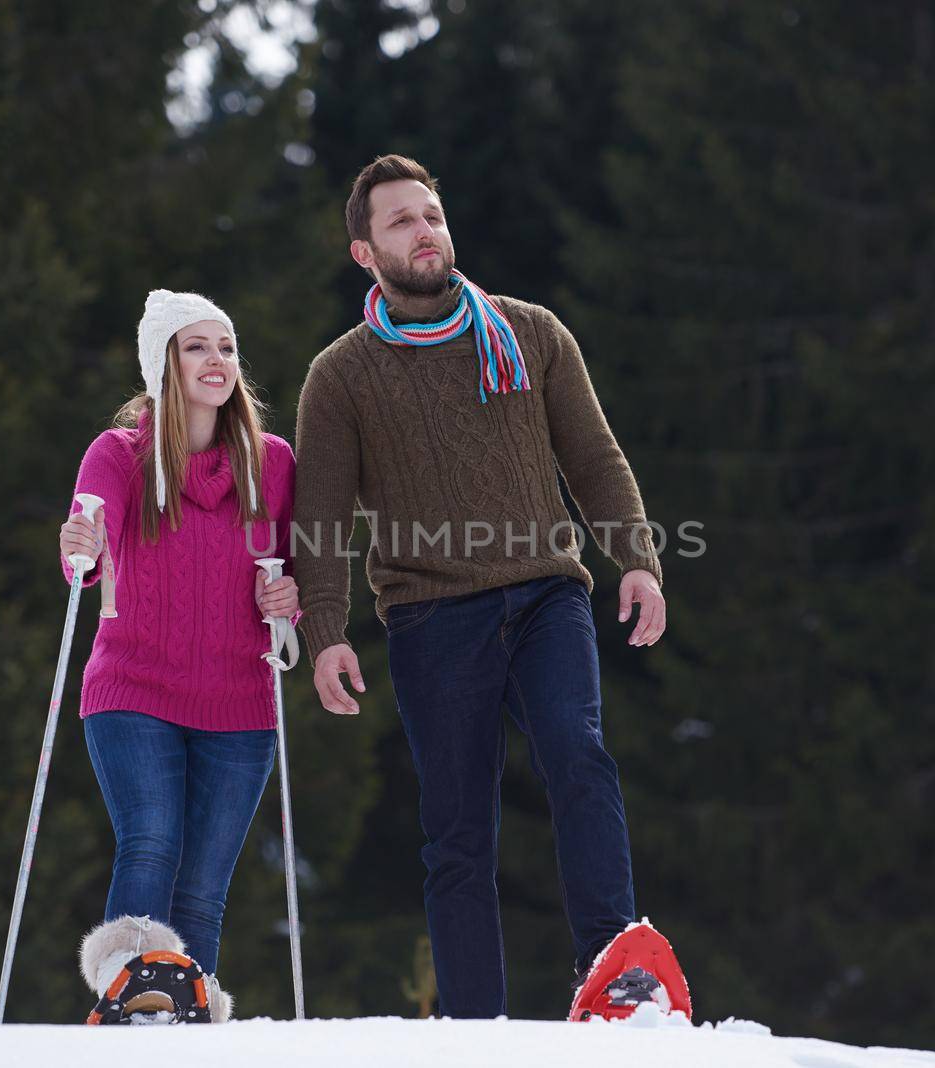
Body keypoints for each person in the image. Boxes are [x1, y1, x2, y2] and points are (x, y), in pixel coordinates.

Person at [292, 155, 668, 1018]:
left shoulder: (531, 332)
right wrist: (327, 634)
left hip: (547, 596)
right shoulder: (340, 376)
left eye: (431, 214)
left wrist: (638, 558)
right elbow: (318, 518)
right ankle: (472, 1029)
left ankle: (617, 977)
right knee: (458, 834)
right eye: (400, 221)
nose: (424, 231)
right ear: (364, 252)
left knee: (578, 755)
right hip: (430, 617)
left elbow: (594, 458)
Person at [60, 290, 300, 1020]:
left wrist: (285, 601)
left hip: (240, 700)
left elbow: (290, 569)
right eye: (197, 346)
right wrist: (81, 549)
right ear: (162, 362)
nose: (217, 361)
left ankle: (183, 1016)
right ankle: (135, 999)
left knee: (203, 887)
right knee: (152, 839)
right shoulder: (119, 453)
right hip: (133, 686)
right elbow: (86, 541)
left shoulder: (274, 464)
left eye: (226, 347)